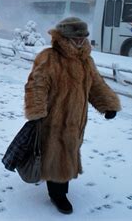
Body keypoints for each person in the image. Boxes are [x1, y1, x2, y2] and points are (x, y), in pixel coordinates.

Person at [24, 17, 121, 214]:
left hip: (77, 119)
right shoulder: (49, 57)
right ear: (63, 37)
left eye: (82, 38)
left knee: (69, 150)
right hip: (53, 118)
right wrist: (37, 111)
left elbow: (96, 85)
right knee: (57, 153)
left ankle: (59, 187)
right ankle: (58, 195)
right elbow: (36, 85)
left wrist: (108, 105)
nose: (79, 42)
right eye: (74, 38)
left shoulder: (86, 60)